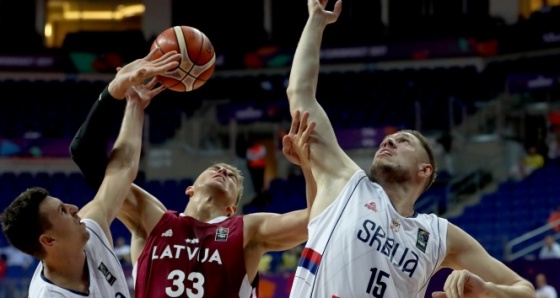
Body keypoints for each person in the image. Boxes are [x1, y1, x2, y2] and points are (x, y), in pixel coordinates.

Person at [284, 1, 536, 297]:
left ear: (424, 170)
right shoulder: (345, 183)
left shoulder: (439, 237)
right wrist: (315, 21)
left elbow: (526, 292)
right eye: (388, 138)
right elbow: (300, 93)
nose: (388, 140)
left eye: (404, 141)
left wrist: (488, 290)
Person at [70, 71, 317, 298]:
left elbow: (314, 221)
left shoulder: (247, 230)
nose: (222, 171)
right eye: (215, 169)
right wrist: (128, 101)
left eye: (230, 176)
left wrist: (307, 166)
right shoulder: (153, 219)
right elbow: (86, 157)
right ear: (190, 189)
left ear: (232, 208)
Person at [0, 48, 181, 297]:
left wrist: (132, 102)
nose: (75, 207)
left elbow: (121, 172)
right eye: (62, 211)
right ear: (48, 240)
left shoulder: (90, 231)